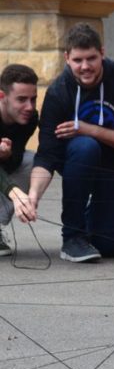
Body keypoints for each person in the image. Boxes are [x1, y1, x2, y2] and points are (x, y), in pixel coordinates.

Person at [29, 22, 114, 262]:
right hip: (78, 162)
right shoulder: (59, 92)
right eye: (77, 60)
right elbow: (47, 154)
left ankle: (88, 218)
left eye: (91, 58)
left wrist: (89, 129)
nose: (85, 67)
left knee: (109, 246)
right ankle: (72, 237)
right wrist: (33, 197)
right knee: (85, 146)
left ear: (102, 53)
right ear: (67, 58)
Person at [0, 64, 39, 252]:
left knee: (33, 161)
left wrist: (6, 156)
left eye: (33, 99)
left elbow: (16, 159)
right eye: (22, 99)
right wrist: (15, 194)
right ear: (2, 96)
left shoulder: (29, 118)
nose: (29, 107)